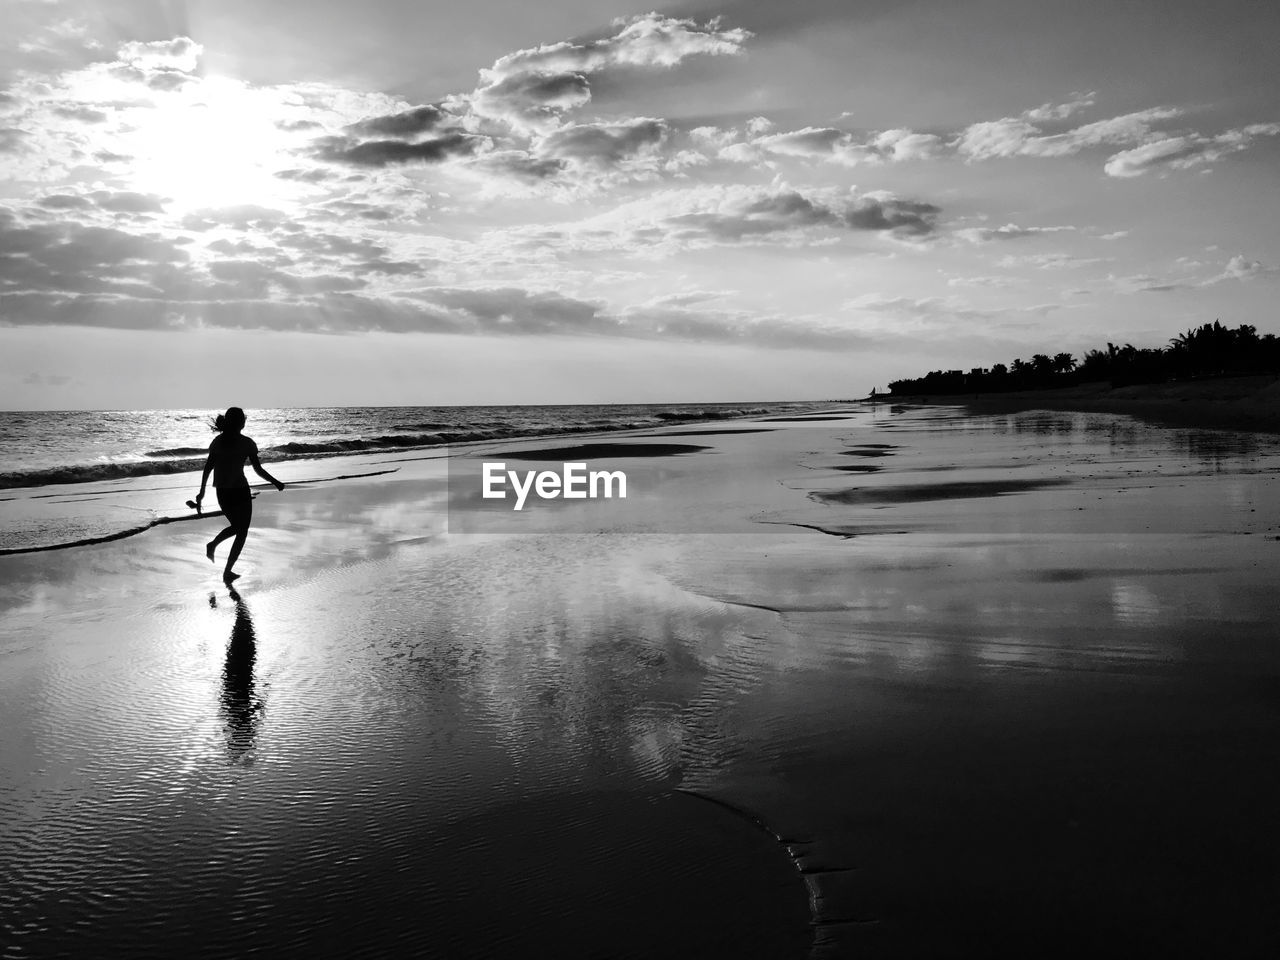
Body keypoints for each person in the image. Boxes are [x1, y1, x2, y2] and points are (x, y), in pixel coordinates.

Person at [195, 407, 285, 582]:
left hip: (234, 490)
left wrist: (274, 482)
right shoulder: (224, 443)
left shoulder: (242, 443)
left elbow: (256, 469)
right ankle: (214, 546)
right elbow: (208, 467)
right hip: (229, 491)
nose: (244, 421)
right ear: (240, 422)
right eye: (243, 419)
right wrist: (201, 492)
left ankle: (227, 570)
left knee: (241, 530)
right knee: (239, 528)